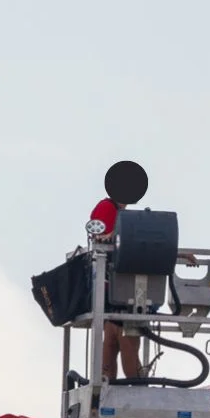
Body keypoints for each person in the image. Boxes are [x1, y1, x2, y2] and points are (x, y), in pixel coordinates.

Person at [86, 161, 148, 381]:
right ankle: (136, 386)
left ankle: (108, 385)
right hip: (115, 286)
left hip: (115, 286)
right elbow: (101, 237)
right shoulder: (106, 208)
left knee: (113, 335)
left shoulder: (118, 212)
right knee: (125, 338)